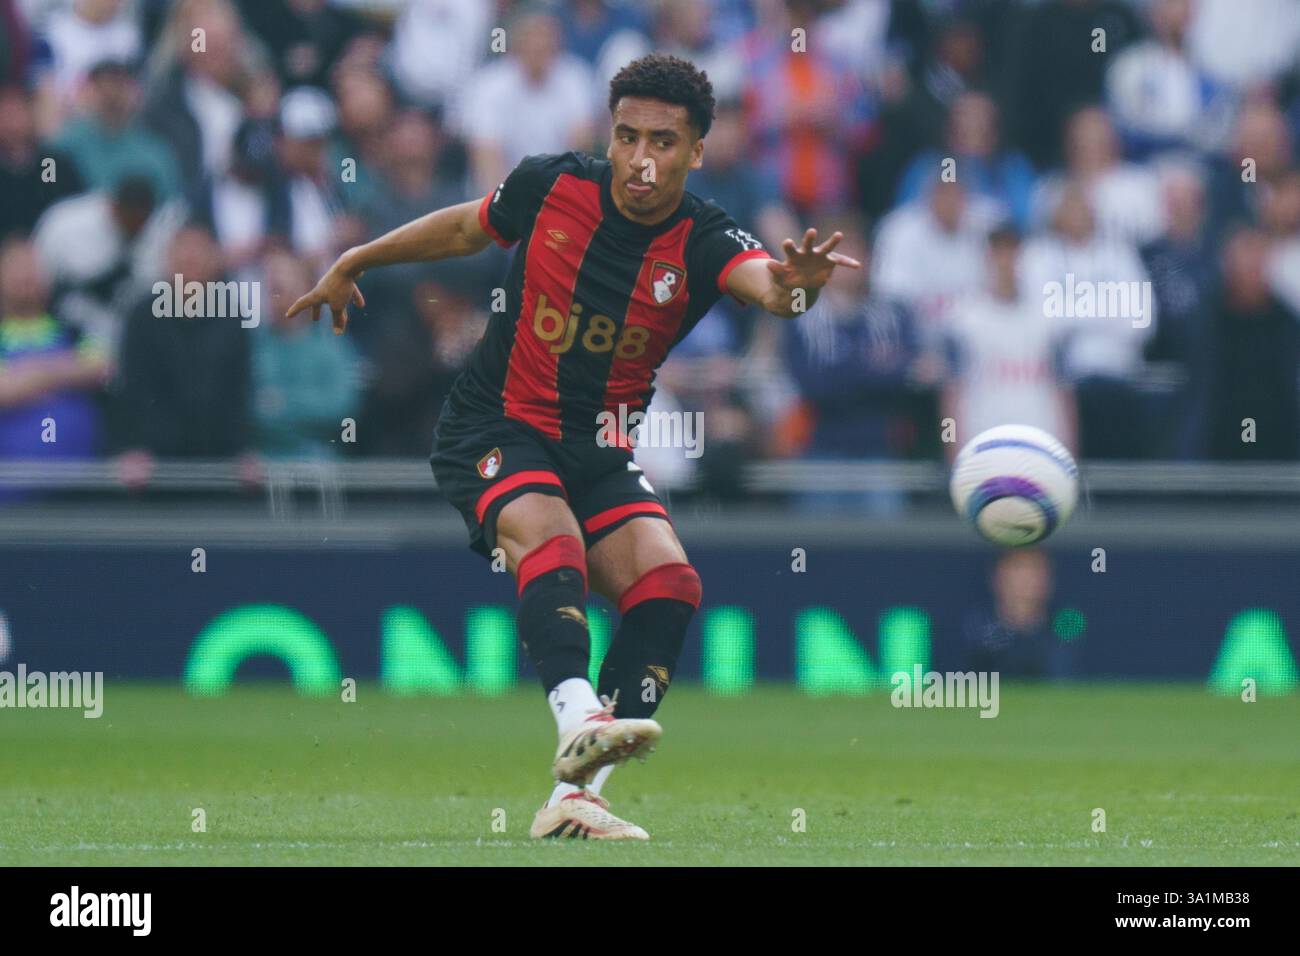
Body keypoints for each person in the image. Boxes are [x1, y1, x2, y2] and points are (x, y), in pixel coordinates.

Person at [287, 54, 860, 840]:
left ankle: (578, 796)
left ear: (696, 152)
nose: (641, 160)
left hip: (597, 449)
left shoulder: (704, 237)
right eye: (627, 137)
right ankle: (576, 716)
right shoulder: (552, 184)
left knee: (671, 588)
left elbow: (769, 287)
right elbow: (462, 226)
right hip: (496, 425)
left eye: (663, 142)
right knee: (550, 539)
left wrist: (801, 286)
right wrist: (354, 259)